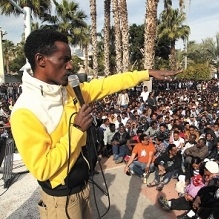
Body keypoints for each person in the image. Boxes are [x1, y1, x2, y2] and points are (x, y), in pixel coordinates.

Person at [10, 29, 178, 219]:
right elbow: (42, 169)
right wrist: (77, 130)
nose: (70, 66)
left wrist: (146, 74)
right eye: (63, 59)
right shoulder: (25, 111)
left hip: (84, 188)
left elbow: (108, 84)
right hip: (61, 200)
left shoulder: (69, 90)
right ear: (41, 60)